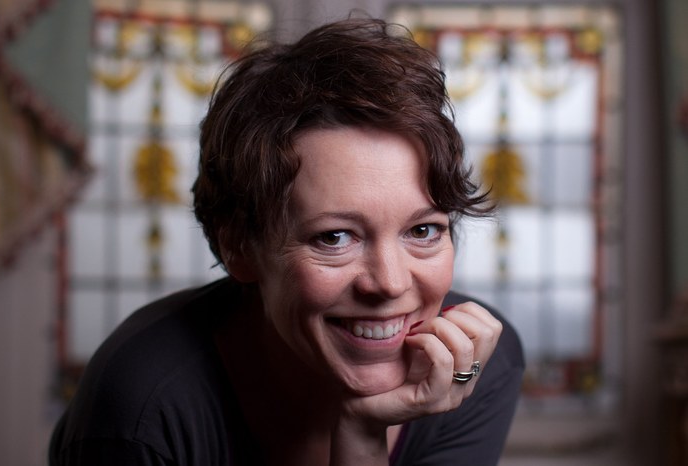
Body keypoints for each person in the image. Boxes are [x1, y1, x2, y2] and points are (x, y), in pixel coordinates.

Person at [49, 17, 524, 466]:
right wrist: (361, 434)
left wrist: (362, 433)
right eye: (334, 237)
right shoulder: (140, 411)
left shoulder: (476, 365)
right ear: (240, 247)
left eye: (422, 231)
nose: (390, 283)